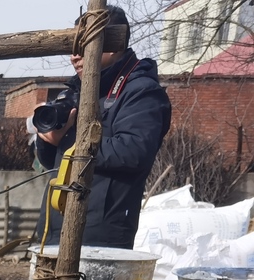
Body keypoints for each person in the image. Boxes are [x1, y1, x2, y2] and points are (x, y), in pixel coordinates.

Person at [33, 5, 172, 249]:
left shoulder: (141, 91)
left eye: (82, 47)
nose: (74, 56)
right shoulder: (77, 91)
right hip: (54, 226)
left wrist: (66, 141)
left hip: (99, 236)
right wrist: (46, 140)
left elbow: (134, 151)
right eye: (72, 48)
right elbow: (52, 162)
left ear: (115, 43)